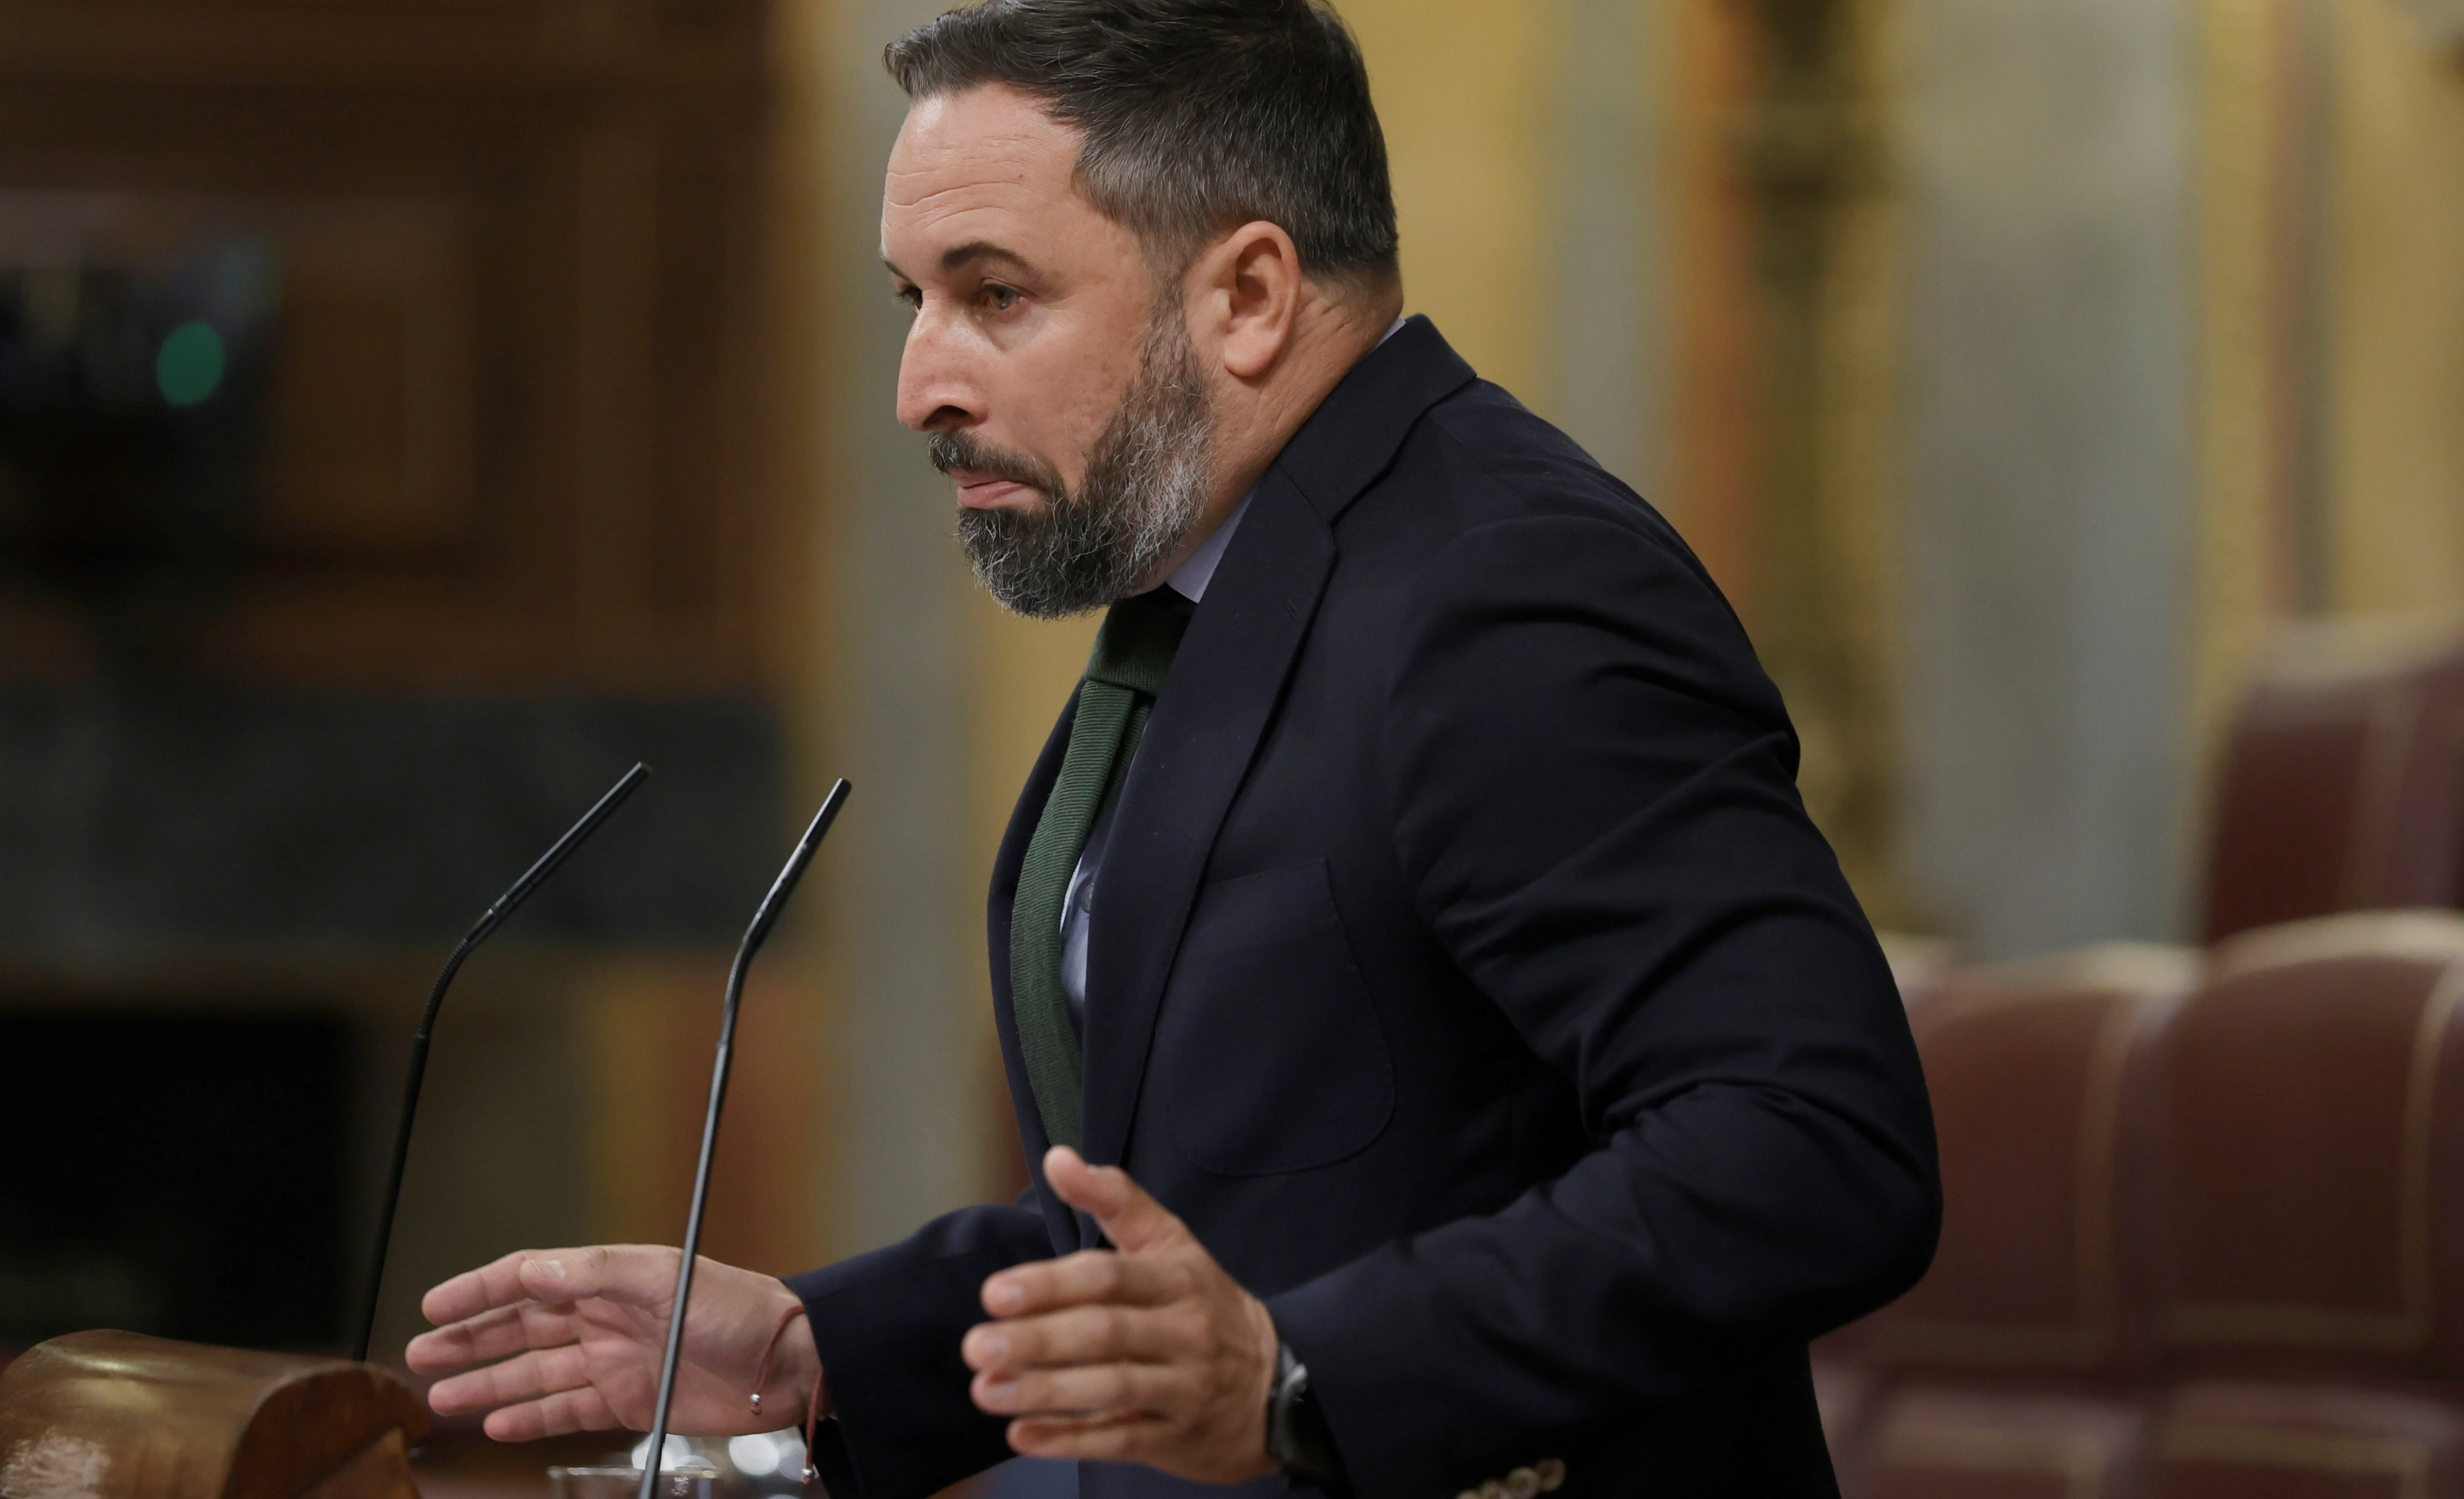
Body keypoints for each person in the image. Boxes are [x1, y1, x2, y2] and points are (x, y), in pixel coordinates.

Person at [405, 2, 1941, 1495]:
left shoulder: (1508, 592)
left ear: (1251, 297)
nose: (920, 387)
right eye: (912, 299)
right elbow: (1227, 1212)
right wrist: (823, 1349)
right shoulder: (1218, 594)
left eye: (995, 294)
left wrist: (1298, 1384)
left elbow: (1813, 1143)